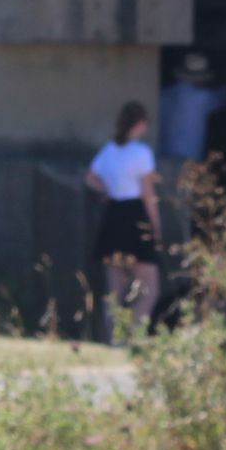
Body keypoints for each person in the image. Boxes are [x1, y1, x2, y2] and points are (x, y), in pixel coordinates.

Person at [85, 100, 161, 339]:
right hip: (135, 216)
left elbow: (90, 178)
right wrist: (156, 225)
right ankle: (135, 335)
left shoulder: (109, 150)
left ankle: (114, 338)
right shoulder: (142, 153)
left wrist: (106, 191)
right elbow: (148, 194)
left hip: (112, 216)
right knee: (150, 288)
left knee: (114, 291)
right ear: (139, 125)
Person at [158, 52, 226, 164]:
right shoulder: (202, 97)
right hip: (191, 159)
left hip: (164, 154)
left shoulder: (164, 94)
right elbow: (225, 96)